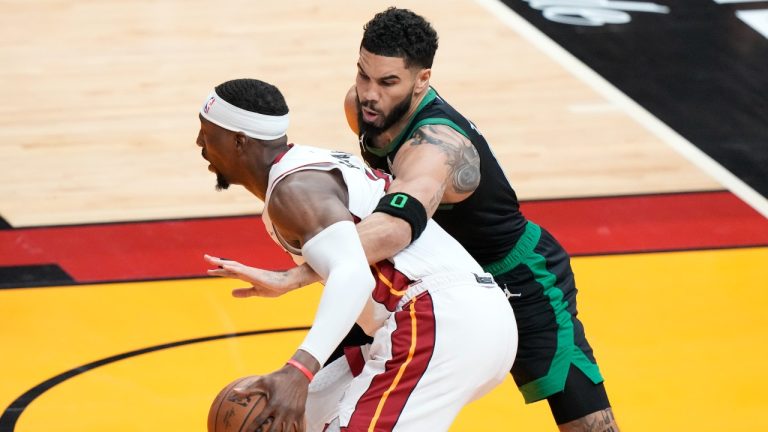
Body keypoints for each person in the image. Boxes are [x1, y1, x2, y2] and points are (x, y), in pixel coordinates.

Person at [225, 8, 620, 432]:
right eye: (364, 75)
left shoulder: (438, 147)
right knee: (313, 397)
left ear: (422, 80)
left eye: (388, 82)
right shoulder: (360, 108)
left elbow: (395, 227)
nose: (369, 94)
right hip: (432, 281)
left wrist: (298, 275)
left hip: (517, 275)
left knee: (586, 422)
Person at [198, 78, 517, 432]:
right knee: (290, 416)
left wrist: (300, 369)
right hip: (461, 319)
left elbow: (352, 275)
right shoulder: (308, 168)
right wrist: (292, 279)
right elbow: (353, 254)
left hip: (436, 319)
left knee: (291, 394)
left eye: (207, 134)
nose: (200, 144)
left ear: (239, 141)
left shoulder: (293, 190)